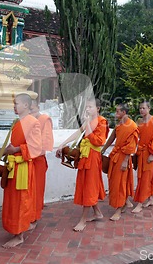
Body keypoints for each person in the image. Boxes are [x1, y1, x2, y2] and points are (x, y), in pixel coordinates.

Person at [56, 98, 109, 232]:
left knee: (89, 185)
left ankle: (83, 220)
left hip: (92, 157)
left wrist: (87, 124)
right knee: (86, 184)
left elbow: (98, 141)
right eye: (87, 107)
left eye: (90, 107)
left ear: (98, 109)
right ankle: (97, 213)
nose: (87, 109)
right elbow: (78, 133)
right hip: (85, 156)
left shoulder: (102, 122)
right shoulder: (90, 122)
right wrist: (62, 144)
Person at [1, 93, 41, 248]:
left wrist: (16, 149)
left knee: (21, 200)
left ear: (26, 105)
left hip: (23, 166)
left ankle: (20, 236)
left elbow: (36, 147)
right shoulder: (18, 122)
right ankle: (15, 229)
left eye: (16, 103)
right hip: (13, 166)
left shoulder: (32, 122)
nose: (14, 107)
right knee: (12, 200)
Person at [102, 103, 139, 221]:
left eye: (118, 111)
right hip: (115, 156)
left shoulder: (132, 126)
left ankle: (118, 210)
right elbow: (112, 137)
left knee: (120, 184)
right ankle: (121, 204)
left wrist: (125, 161)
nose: (115, 114)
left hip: (123, 158)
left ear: (124, 112)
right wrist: (102, 150)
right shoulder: (119, 124)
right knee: (114, 182)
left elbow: (132, 145)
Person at [132, 101, 153, 213]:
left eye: (144, 108)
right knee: (144, 177)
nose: (141, 110)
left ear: (149, 108)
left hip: (149, 153)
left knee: (145, 177)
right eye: (140, 108)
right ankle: (150, 199)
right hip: (141, 152)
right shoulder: (139, 121)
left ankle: (140, 202)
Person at [30, 99, 54, 226]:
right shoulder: (27, 121)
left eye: (32, 109)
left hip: (37, 160)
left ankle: (34, 217)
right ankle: (27, 214)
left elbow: (44, 144)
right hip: (26, 160)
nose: (31, 112)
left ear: (38, 107)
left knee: (37, 189)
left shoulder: (44, 119)